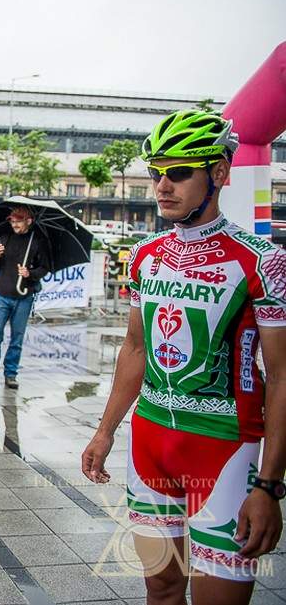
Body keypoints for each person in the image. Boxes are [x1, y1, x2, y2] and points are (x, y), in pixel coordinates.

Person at [81, 110, 286, 605]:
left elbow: (282, 377)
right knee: (162, 588)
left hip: (225, 450)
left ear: (219, 173)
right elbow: (134, 348)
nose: (162, 186)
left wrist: (269, 485)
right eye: (156, 173)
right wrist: (105, 431)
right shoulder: (146, 255)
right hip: (150, 443)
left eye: (178, 172)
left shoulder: (263, 260)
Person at [0, 205, 49, 390]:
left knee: (17, 338)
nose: (14, 224)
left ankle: (11, 374)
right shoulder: (5, 237)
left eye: (18, 221)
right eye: (12, 221)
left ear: (29, 221)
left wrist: (30, 273)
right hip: (1, 294)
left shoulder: (37, 241)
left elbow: (44, 268)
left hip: (24, 296)